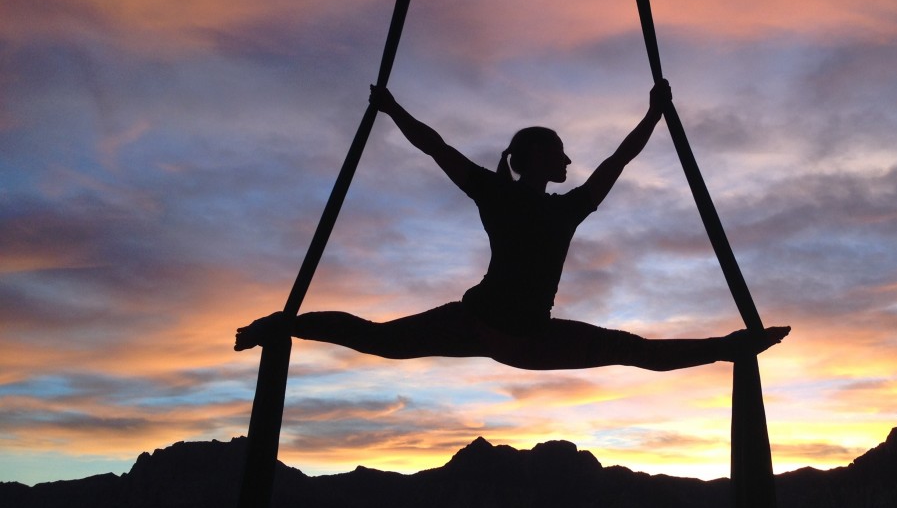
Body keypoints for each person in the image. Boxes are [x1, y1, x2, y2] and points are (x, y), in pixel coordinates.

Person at [235, 81, 789, 371]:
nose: (570, 162)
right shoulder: (534, 201)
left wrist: (654, 116)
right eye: (561, 153)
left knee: (634, 350)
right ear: (539, 160)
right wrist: (390, 108)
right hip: (494, 327)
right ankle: (281, 325)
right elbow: (437, 148)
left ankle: (734, 347)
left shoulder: (535, 200)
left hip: (510, 330)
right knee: (380, 340)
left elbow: (616, 160)